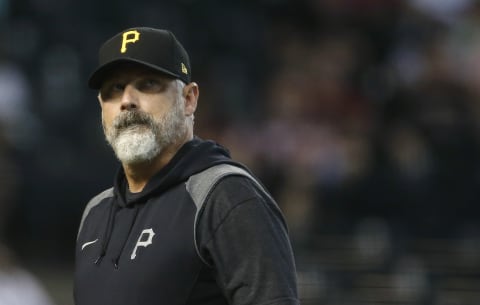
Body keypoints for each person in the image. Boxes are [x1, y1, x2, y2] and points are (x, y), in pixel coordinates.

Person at [74, 27, 300, 305]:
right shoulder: (95, 212)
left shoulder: (226, 197)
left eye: (148, 84)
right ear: (101, 106)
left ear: (189, 99)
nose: (127, 101)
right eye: (114, 89)